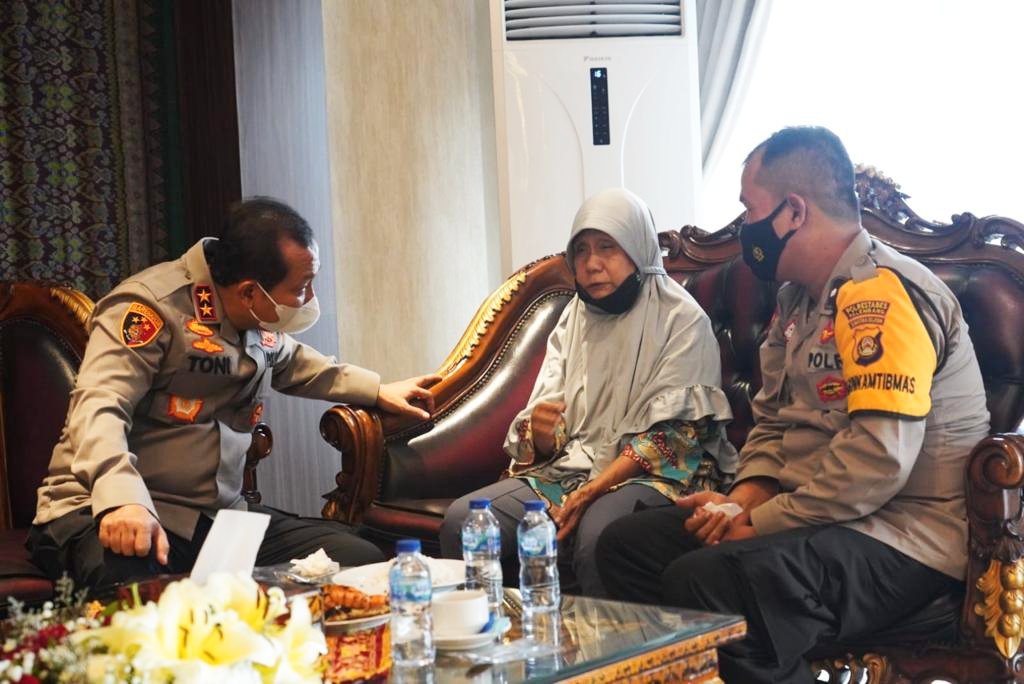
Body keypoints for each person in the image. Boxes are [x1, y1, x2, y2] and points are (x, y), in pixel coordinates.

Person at [595, 127, 991, 683]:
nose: (745, 227)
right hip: (820, 515)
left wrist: (760, 524)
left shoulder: (880, 296)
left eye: (750, 209)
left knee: (710, 581)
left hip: (902, 535)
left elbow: (877, 462)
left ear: (794, 212)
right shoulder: (797, 301)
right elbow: (773, 422)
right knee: (627, 546)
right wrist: (739, 503)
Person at [28, 197, 440, 590]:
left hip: (212, 518)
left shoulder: (255, 318)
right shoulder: (149, 309)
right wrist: (122, 500)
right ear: (249, 291)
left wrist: (376, 390)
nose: (310, 299)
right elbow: (99, 407)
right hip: (106, 509)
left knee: (356, 559)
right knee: (135, 587)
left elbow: (295, 362)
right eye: (302, 287)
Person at [438, 188, 736, 596]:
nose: (592, 264)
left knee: (599, 535)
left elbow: (672, 439)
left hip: (653, 476)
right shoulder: (574, 317)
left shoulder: (682, 320)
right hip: (571, 471)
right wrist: (543, 433)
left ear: (637, 248)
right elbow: (547, 417)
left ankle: (607, 639)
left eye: (607, 247)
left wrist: (592, 491)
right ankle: (500, 631)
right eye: (581, 250)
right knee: (464, 522)